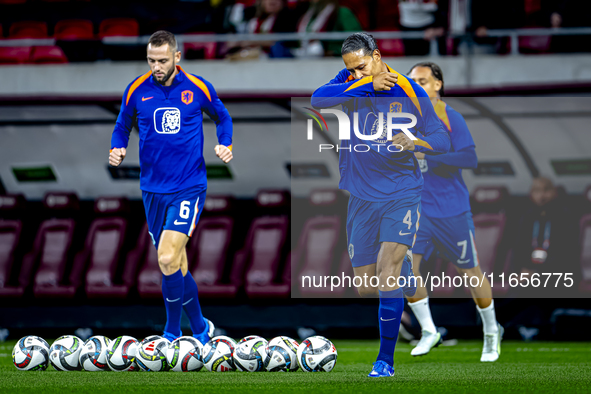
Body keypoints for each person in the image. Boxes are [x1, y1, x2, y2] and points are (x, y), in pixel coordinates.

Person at [312, 33, 450, 377]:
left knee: (387, 272)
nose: (354, 74)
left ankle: (384, 361)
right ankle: (402, 269)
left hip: (402, 192)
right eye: (350, 69)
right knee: (365, 285)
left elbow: (441, 138)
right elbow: (317, 99)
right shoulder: (348, 80)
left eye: (360, 67)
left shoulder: (409, 90)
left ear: (376, 55)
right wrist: (365, 83)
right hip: (361, 197)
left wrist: (416, 141)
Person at [109, 30, 233, 344]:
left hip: (189, 185)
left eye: (162, 60)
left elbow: (222, 116)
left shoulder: (198, 87)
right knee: (176, 263)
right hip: (152, 189)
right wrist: (118, 147)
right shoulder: (136, 89)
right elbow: (122, 124)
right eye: (151, 60)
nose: (156, 66)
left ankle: (172, 332)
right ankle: (202, 329)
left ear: (177, 57)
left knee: (165, 258)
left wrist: (225, 144)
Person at [405, 62, 503, 362]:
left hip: (451, 211)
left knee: (471, 272)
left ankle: (490, 332)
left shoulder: (450, 117)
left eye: (422, 81)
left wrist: (428, 154)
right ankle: (429, 330)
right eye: (412, 82)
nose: (416, 86)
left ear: (438, 84)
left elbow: (469, 158)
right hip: (417, 211)